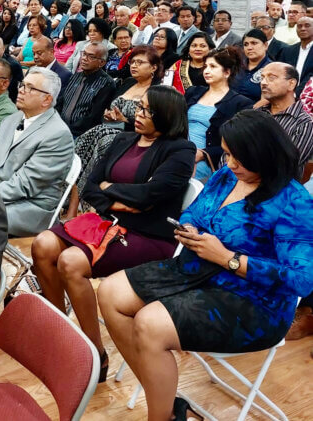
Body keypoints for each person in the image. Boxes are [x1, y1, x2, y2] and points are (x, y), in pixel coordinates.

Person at [99, 110, 313, 421]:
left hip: (253, 300)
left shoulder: (293, 202)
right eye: (227, 154)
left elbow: (302, 280)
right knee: (109, 292)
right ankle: (164, 396)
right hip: (198, 268)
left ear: (266, 155)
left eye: (240, 158)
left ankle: (161, 416)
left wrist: (229, 258)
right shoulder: (228, 175)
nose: (231, 164)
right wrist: (190, 231)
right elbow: (194, 212)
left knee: (149, 324)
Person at [35, 86, 195, 381]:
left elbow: (151, 195)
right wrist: (119, 199)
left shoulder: (180, 150)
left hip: (148, 235)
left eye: (147, 110)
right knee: (43, 244)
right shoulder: (123, 139)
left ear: (167, 115)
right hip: (108, 223)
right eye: (139, 107)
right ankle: (58, 331)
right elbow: (91, 185)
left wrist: (113, 191)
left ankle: (96, 355)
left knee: (70, 262)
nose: (138, 114)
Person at [0, 67, 73, 236]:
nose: (21, 90)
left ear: (46, 100)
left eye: (30, 88)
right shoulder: (12, 119)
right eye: (22, 84)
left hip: (29, 206)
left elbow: (26, 184)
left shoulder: (58, 134)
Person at [73, 46, 163, 208]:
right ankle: (69, 192)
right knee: (95, 135)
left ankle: (87, 200)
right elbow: (108, 108)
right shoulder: (127, 83)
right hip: (109, 128)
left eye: (140, 62)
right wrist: (109, 114)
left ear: (153, 67)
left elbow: (155, 125)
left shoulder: (158, 91)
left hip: (134, 138)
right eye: (132, 62)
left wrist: (126, 121)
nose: (134, 66)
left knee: (104, 139)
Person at [187, 47, 252, 181]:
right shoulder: (193, 92)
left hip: (209, 161)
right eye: (205, 66)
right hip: (179, 153)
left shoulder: (240, 103)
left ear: (227, 72)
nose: (206, 71)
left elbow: (238, 144)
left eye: (213, 66)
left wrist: (203, 154)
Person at [257, 62, 313, 177]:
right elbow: (229, 154)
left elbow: (286, 164)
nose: (263, 82)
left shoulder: (304, 123)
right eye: (262, 78)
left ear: (291, 84)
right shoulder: (254, 115)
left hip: (278, 190)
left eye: (271, 78)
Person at [57, 41, 116, 137]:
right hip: (61, 129)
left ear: (101, 63)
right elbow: (61, 103)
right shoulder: (75, 76)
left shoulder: (106, 83)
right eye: (84, 54)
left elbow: (94, 117)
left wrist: (68, 130)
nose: (84, 58)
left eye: (91, 57)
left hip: (82, 135)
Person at [232, 29, 271, 102]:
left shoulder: (271, 69)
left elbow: (268, 99)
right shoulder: (237, 65)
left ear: (265, 45)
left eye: (254, 43)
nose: (249, 48)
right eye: (246, 44)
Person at [279, 16, 313, 94]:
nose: (303, 28)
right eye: (299, 26)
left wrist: (295, 94)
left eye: (307, 25)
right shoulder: (287, 50)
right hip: (286, 94)